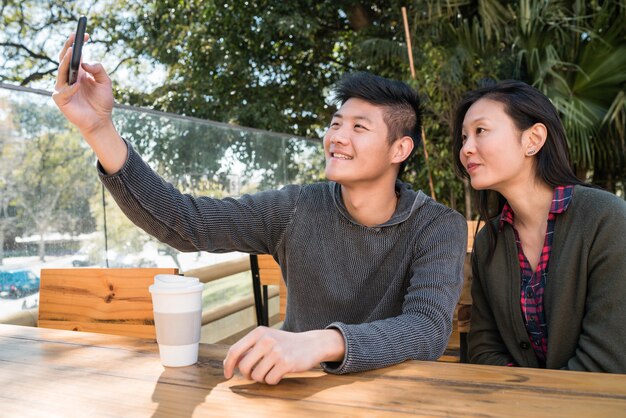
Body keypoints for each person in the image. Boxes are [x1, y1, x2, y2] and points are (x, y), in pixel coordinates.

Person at [53, 33, 467, 384]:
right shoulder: (297, 207)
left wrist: (319, 342)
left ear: (400, 148)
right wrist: (98, 128)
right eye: (336, 123)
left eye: (359, 127)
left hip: (397, 396)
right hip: (294, 390)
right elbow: (186, 223)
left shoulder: (437, 226)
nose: (338, 136)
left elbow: (426, 330)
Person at [453, 80, 626, 373]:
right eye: (464, 137)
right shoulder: (489, 241)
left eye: (480, 131)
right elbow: (483, 349)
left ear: (532, 140)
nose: (466, 148)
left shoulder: (606, 219)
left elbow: (607, 358)